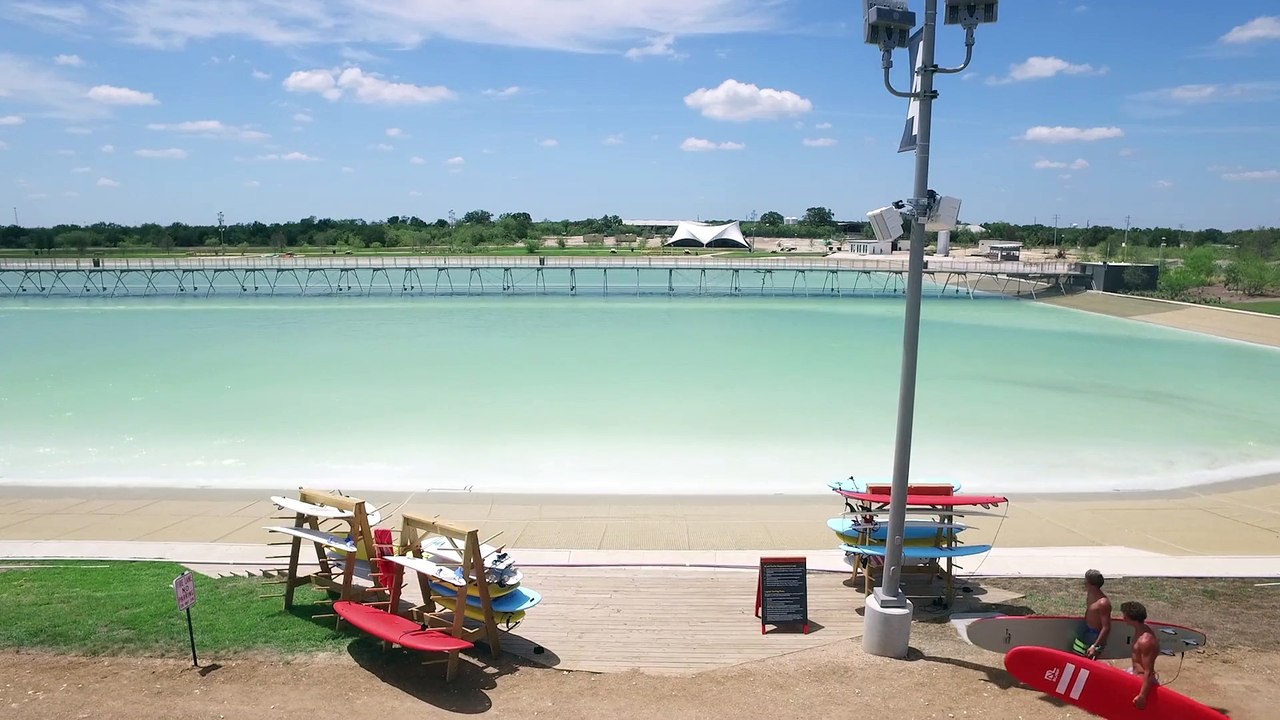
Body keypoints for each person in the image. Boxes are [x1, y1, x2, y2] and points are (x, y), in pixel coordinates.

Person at [1121, 600, 1160, 709]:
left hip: (1140, 681)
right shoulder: (1140, 629)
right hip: (1133, 672)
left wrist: (1142, 695)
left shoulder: (1146, 641)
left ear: (1132, 618)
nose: (1123, 618)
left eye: (1125, 616)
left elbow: (1148, 671)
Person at [1072, 569, 1112, 659]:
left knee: (1087, 662)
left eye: (1086, 581)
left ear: (1091, 584)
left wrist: (1095, 646)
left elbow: (1106, 627)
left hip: (1094, 636)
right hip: (1085, 629)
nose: (1084, 583)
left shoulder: (1103, 603)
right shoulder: (1090, 594)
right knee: (1076, 657)